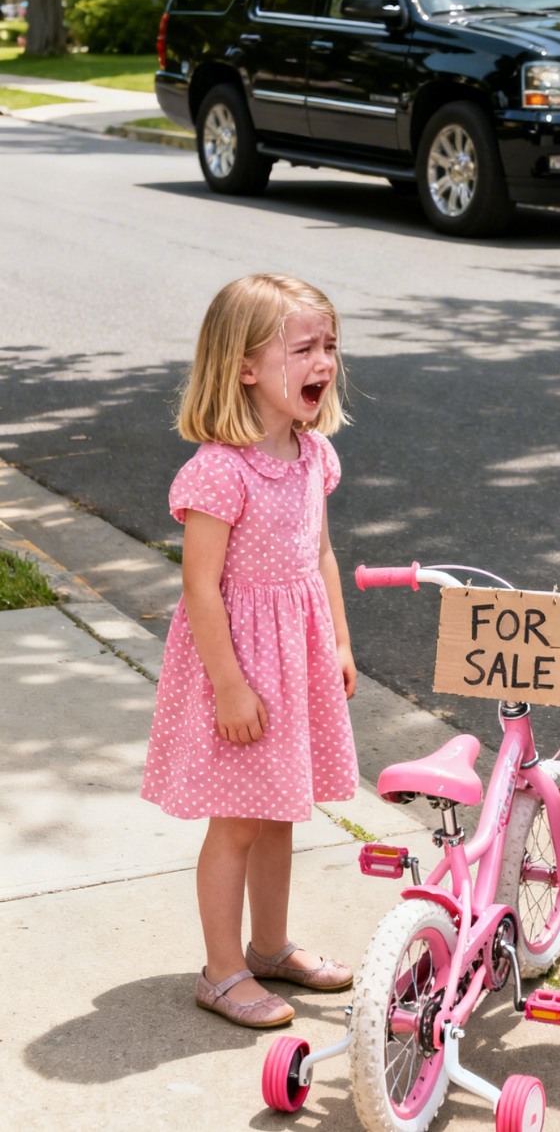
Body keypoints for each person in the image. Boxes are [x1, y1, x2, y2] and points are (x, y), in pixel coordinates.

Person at [142, 273, 360, 1028]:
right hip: (237, 667)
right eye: (303, 347)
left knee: (278, 814)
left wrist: (336, 638)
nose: (323, 360)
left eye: (328, 345)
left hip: (295, 662)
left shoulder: (312, 456)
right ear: (243, 366)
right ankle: (222, 969)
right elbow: (200, 588)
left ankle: (270, 947)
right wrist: (230, 686)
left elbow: (322, 553)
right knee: (236, 820)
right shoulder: (218, 470)